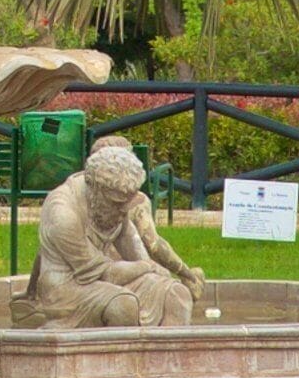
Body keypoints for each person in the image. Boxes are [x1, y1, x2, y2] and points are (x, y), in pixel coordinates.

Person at [21, 138, 204, 328]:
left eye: (128, 202)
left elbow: (136, 254)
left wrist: (163, 274)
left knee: (176, 294)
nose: (125, 211)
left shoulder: (113, 203)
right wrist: (149, 267)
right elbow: (107, 274)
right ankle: (124, 358)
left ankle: (165, 357)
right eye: (118, 203)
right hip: (68, 287)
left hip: (111, 282)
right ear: (94, 188)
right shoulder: (63, 213)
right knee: (123, 305)